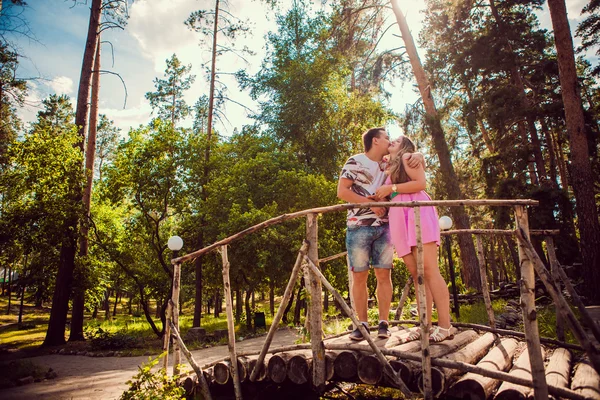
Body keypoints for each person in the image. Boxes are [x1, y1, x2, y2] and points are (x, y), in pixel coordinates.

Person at [337, 127, 422, 341]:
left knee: (384, 275)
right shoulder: (354, 161)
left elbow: (410, 164)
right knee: (359, 276)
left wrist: (419, 154)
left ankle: (384, 323)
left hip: (385, 227)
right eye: (386, 138)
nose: (389, 141)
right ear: (375, 141)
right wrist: (370, 204)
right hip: (358, 226)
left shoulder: (389, 163)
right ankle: (362, 324)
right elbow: (342, 191)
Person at [375, 135, 455, 342]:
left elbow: (420, 183)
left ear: (406, 147)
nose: (392, 140)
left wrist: (391, 189)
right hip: (398, 218)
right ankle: (425, 325)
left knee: (429, 270)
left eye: (398, 139)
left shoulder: (408, 158)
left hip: (417, 213)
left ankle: (446, 326)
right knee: (416, 273)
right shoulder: (388, 165)